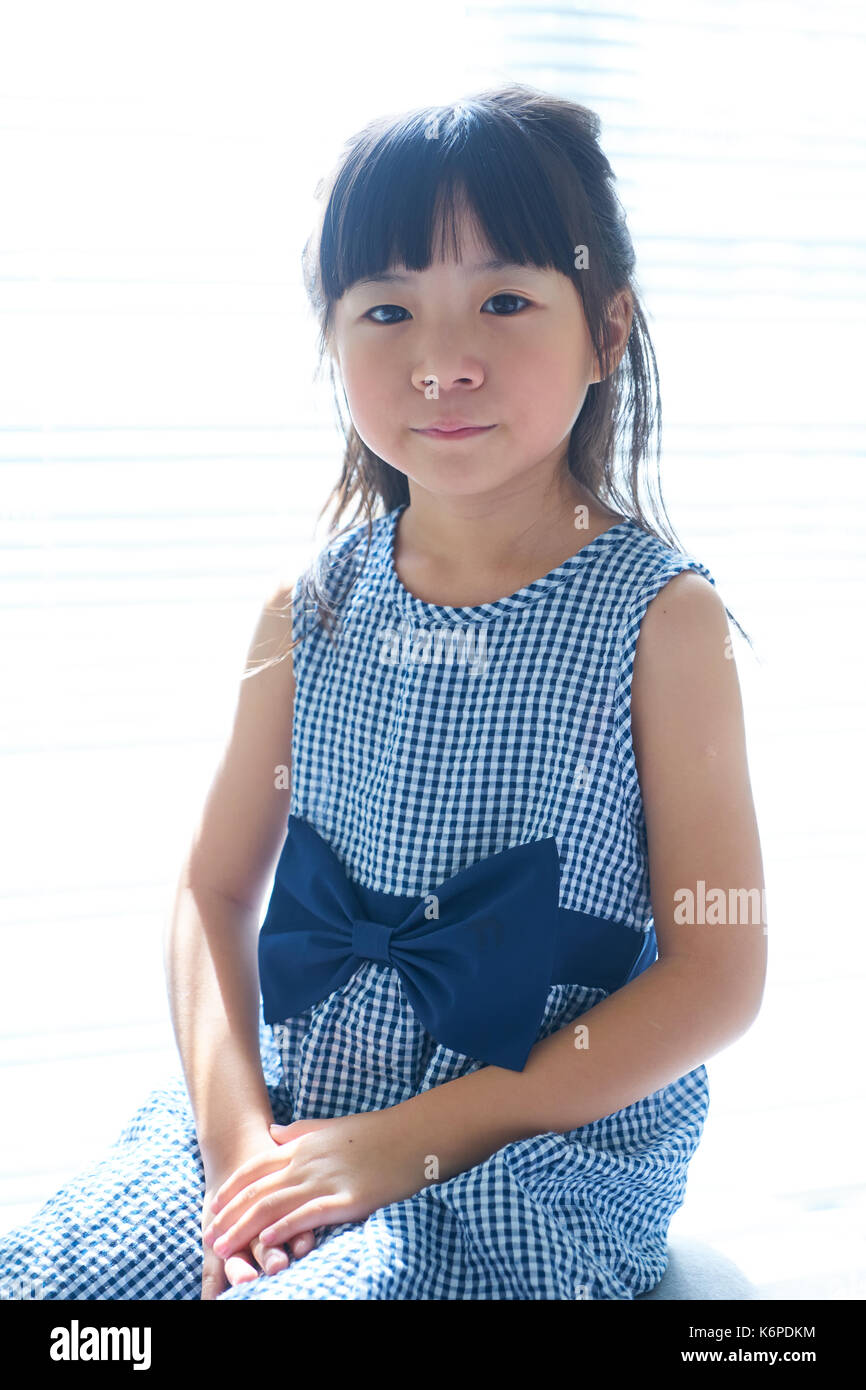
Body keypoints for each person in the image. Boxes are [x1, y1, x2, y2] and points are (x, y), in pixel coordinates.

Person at [0, 83, 766, 1301]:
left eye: (503, 302)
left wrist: (399, 1147)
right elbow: (209, 889)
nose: (442, 362)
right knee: (54, 1288)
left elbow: (715, 975)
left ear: (606, 331)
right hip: (298, 1111)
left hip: (523, 1161)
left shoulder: (660, 619)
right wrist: (241, 1150)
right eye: (387, 309)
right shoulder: (306, 610)